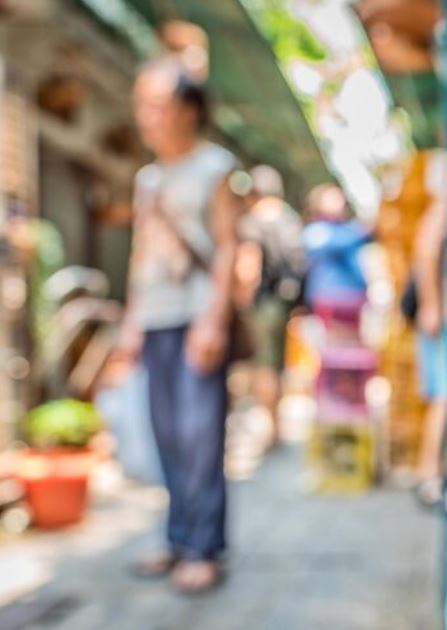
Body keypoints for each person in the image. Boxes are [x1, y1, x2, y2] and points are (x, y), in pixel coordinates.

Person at [113, 57, 243, 594]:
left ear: (189, 110)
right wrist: (130, 323)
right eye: (141, 105)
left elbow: (230, 247)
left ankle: (202, 546)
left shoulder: (214, 168)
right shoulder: (148, 178)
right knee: (165, 433)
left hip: (196, 319)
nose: (147, 117)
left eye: (158, 106)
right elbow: (140, 254)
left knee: (199, 435)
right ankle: (176, 536)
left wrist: (214, 321)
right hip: (156, 319)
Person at [235, 165, 307, 446]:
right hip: (286, 302)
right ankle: (276, 427)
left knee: (264, 365)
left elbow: (248, 265)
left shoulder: (254, 221)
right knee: (277, 365)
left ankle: (272, 429)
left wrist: (240, 301)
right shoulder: (290, 218)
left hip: (263, 302)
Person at [412, 149, 447, 508]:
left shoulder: (439, 210)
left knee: (446, 396)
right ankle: (429, 475)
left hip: (444, 318)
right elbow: (426, 255)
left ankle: (434, 473)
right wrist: (432, 305)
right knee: (446, 396)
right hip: (445, 320)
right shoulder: (443, 209)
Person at [301, 184, 370, 309]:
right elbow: (339, 242)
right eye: (332, 198)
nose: (338, 202)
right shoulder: (316, 231)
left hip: (354, 298)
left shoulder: (347, 229)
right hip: (330, 298)